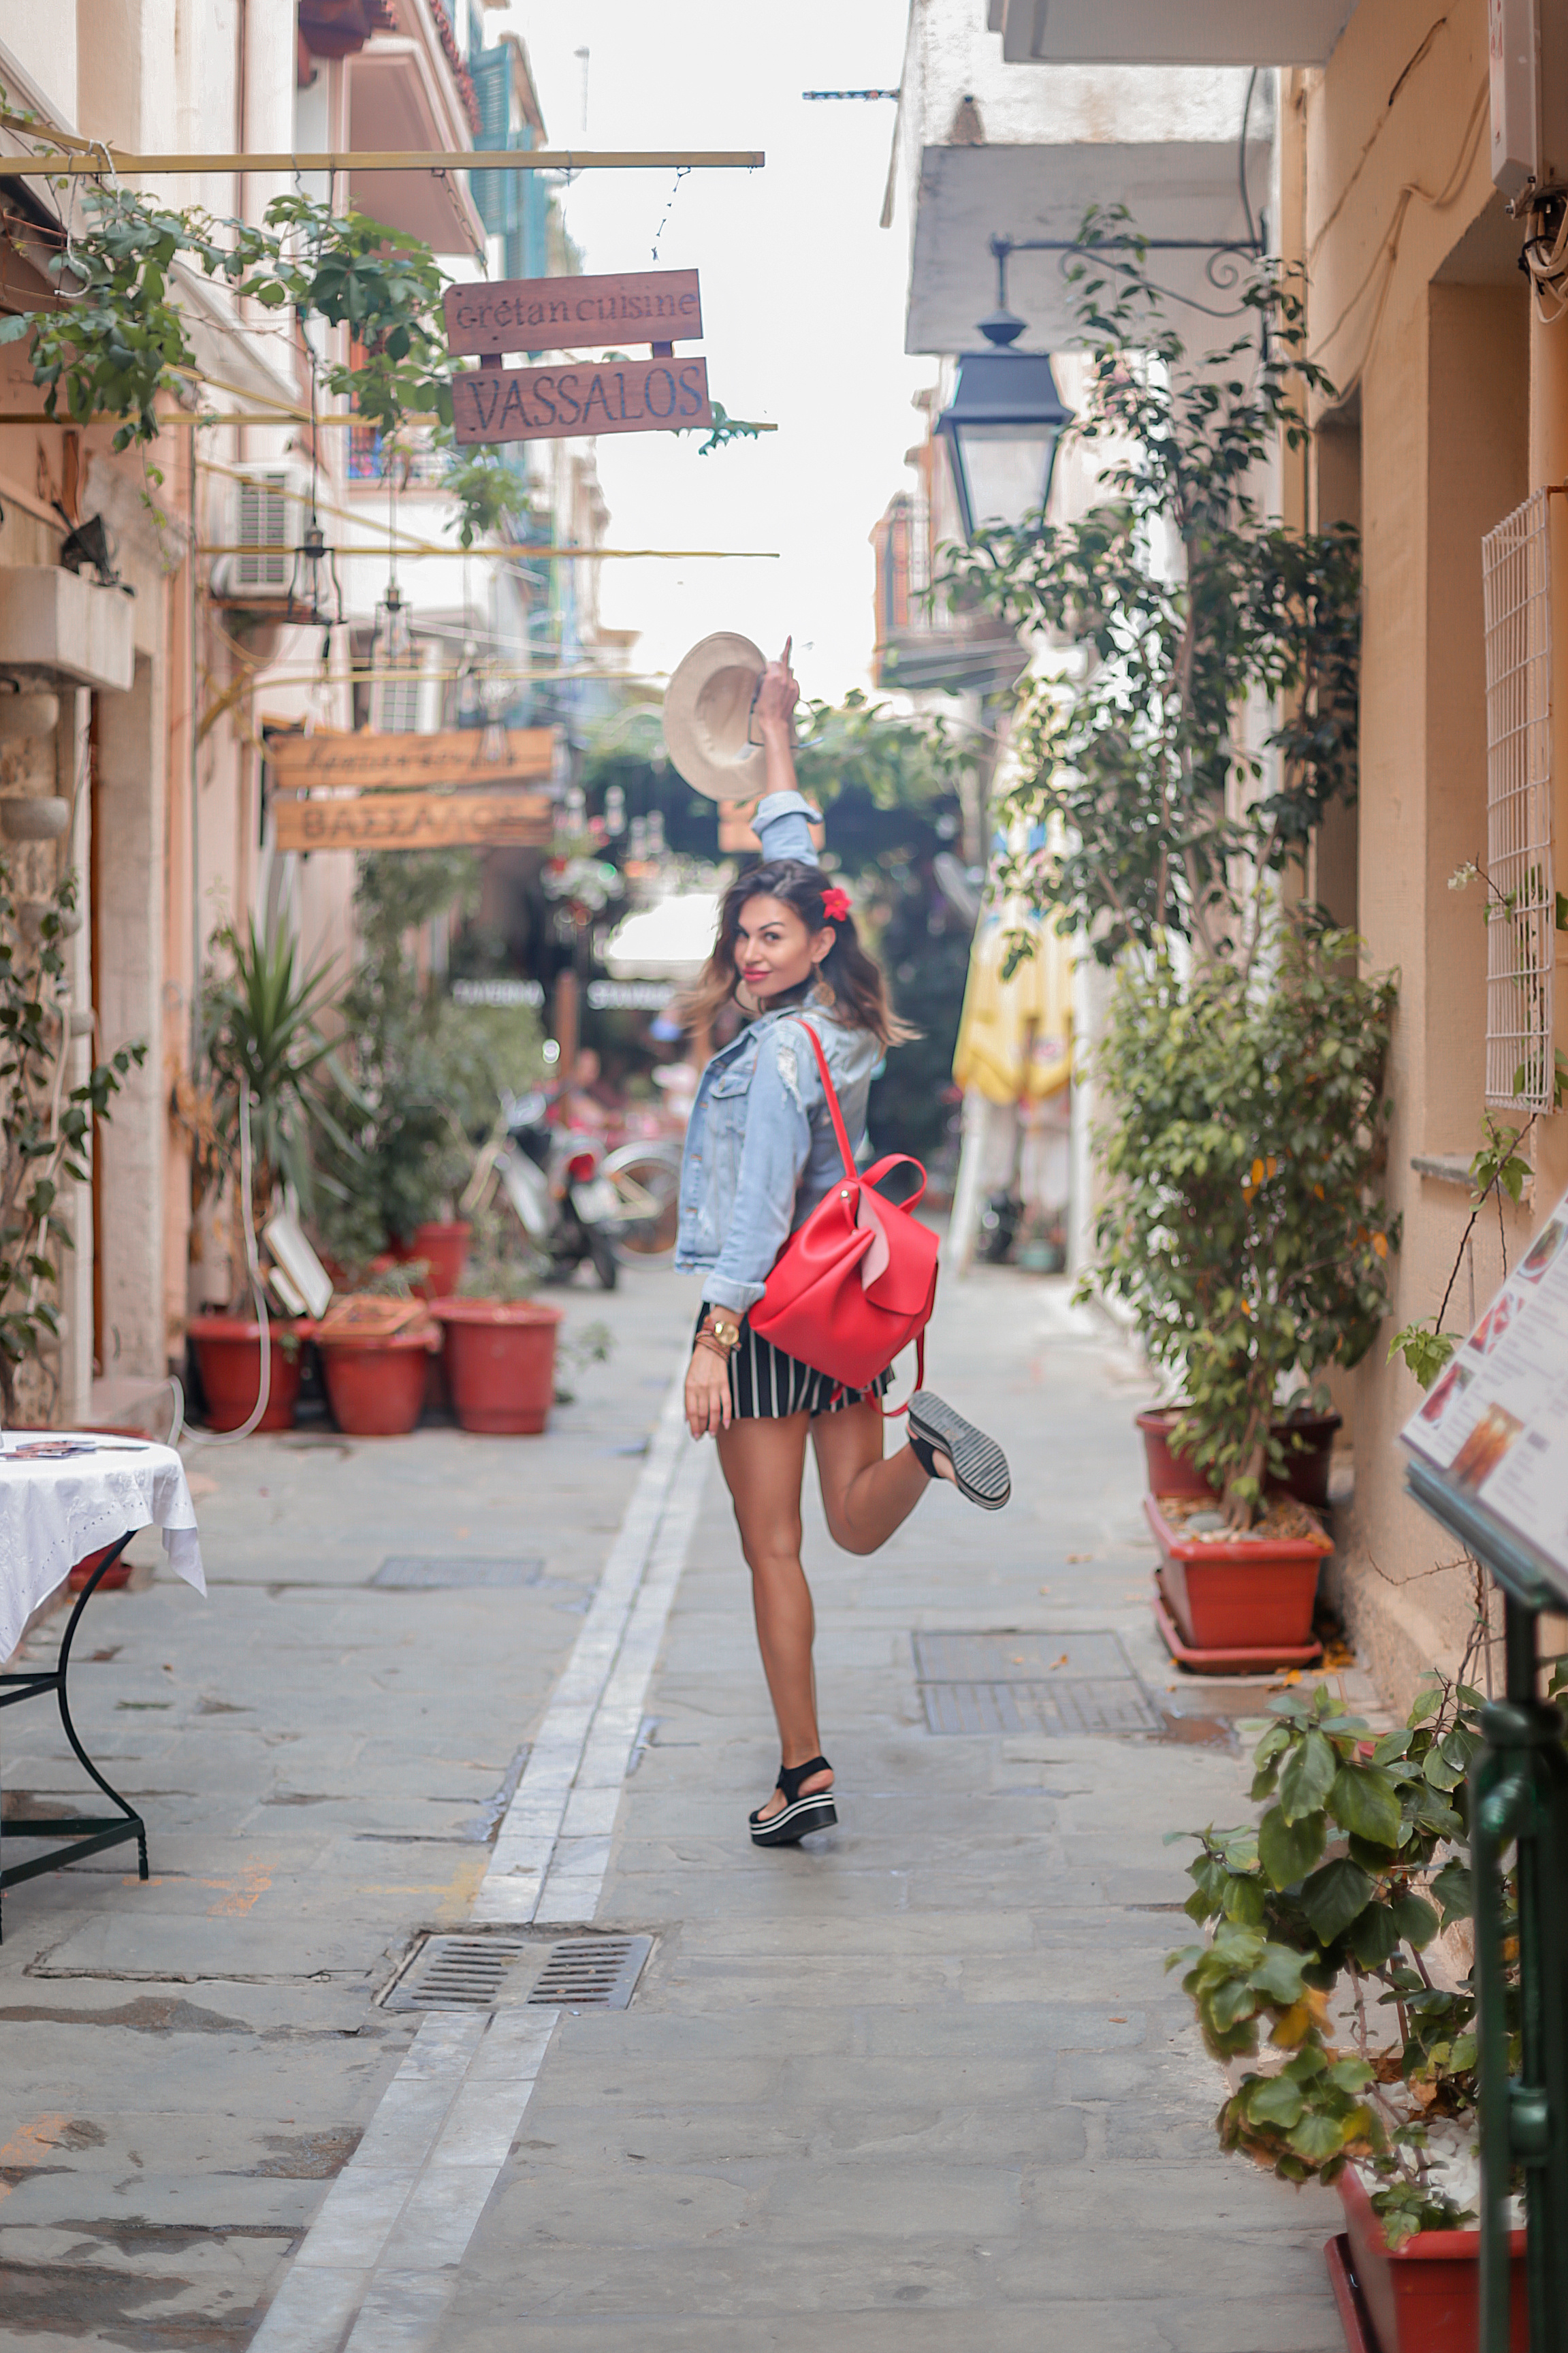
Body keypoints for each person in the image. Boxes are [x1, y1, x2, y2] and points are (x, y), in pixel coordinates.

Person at [675, 639, 1011, 1850]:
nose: (755, 953)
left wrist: (713, 1342)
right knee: (858, 1513)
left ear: (815, 943)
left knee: (778, 1550)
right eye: (746, 939)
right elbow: (798, 857)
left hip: (770, 1311)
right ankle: (926, 1450)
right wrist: (775, 733)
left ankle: (804, 1770)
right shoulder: (845, 1027)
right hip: (848, 1309)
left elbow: (759, 1214)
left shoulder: (771, 1059)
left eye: (773, 938)